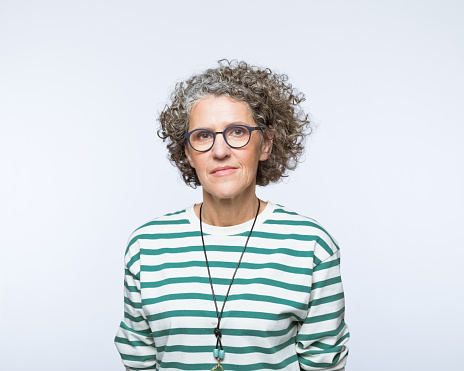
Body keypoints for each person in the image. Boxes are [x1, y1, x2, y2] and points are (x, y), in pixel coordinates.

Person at [114, 60, 350, 371]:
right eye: (202, 136)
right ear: (187, 152)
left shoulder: (310, 246)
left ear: (265, 143)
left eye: (237, 132)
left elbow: (324, 366)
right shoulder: (147, 247)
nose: (220, 151)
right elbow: (137, 362)